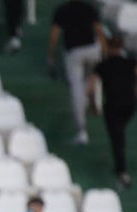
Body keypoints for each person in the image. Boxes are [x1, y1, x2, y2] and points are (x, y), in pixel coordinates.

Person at [87, 36, 137, 188]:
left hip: (113, 104)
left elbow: (91, 86)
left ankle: (122, 172)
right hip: (129, 103)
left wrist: (93, 104)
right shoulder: (130, 62)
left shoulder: (103, 65)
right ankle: (120, 168)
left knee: (117, 137)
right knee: (118, 133)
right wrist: (136, 94)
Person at [47, 0, 106, 145]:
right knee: (90, 77)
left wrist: (50, 56)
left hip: (74, 52)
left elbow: (54, 35)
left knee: (76, 89)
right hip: (92, 50)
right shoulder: (89, 8)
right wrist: (104, 50)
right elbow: (98, 30)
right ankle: (92, 94)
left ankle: (81, 130)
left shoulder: (62, 10)